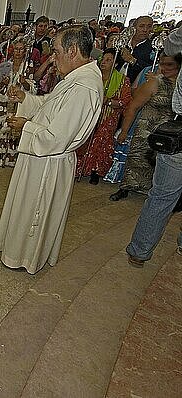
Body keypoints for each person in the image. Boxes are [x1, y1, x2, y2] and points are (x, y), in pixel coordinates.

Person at [0, 25, 103, 274]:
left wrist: (26, 126)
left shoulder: (84, 88)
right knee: (24, 207)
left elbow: (57, 138)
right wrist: (25, 98)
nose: (53, 58)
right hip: (40, 160)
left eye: (56, 51)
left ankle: (25, 257)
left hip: (48, 162)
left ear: (73, 51)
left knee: (33, 211)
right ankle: (17, 250)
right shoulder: (76, 79)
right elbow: (50, 106)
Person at [126, 25, 182, 267]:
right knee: (162, 194)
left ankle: (139, 250)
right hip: (177, 133)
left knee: (162, 195)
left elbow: (170, 45)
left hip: (178, 128)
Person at [109, 53, 181, 201]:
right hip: (145, 130)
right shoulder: (154, 82)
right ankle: (125, 187)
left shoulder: (180, 88)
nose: (164, 68)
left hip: (168, 133)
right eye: (162, 64)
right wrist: (124, 131)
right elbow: (132, 108)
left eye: (169, 65)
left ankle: (153, 192)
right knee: (136, 158)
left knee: (159, 164)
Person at [76, 48, 132, 183]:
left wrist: (109, 101)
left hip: (108, 117)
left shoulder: (122, 80)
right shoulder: (93, 76)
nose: (103, 62)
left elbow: (125, 101)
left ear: (116, 64)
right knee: (84, 140)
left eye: (108, 60)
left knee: (101, 143)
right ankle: (79, 168)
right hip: (89, 114)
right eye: (103, 59)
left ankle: (95, 170)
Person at [0, 38, 36, 167]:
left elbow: (33, 89)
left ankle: (11, 158)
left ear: (25, 51)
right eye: (16, 49)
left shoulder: (28, 66)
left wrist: (24, 82)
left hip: (18, 103)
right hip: (3, 102)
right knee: (1, 128)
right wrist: (3, 83)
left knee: (14, 127)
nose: (18, 52)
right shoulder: (5, 65)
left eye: (21, 49)